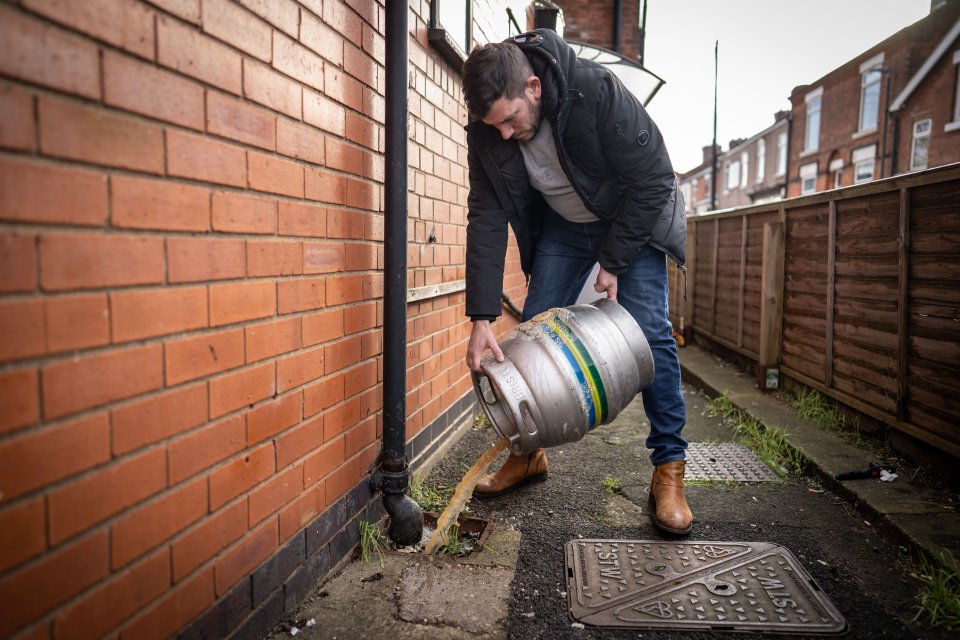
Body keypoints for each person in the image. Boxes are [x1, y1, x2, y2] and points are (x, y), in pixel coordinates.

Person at [461, 29, 692, 535]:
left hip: (631, 219)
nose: (503, 134)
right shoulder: (487, 132)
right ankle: (528, 454)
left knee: (651, 333)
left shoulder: (596, 91)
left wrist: (613, 261)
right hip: (565, 227)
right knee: (533, 331)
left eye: (509, 120)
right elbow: (485, 215)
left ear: (534, 87)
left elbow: (654, 179)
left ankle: (668, 471)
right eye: (491, 125)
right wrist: (480, 316)